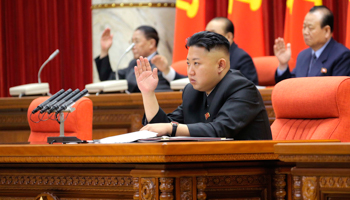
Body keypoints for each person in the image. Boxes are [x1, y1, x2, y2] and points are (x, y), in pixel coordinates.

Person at [136, 31, 272, 140]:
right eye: (188, 63)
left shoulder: (241, 88)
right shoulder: (192, 91)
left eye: (197, 63)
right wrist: (148, 93)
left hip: (248, 168)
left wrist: (173, 128)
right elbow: (162, 126)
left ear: (220, 65)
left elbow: (220, 129)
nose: (190, 71)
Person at [95, 26, 185, 93]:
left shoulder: (160, 67)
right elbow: (108, 79)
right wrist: (104, 50)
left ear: (151, 43)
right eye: (132, 42)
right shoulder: (133, 64)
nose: (132, 47)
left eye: (136, 42)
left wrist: (166, 70)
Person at [274, 6, 350, 83]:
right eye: (304, 27)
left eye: (310, 28)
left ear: (327, 31)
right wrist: (283, 64)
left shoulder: (342, 56)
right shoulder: (303, 56)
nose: (305, 32)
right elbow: (289, 86)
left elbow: (338, 91)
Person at [206, 17, 258, 85]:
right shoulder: (205, 55)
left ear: (228, 37)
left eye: (212, 34)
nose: (207, 38)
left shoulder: (242, 58)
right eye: (206, 34)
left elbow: (250, 88)